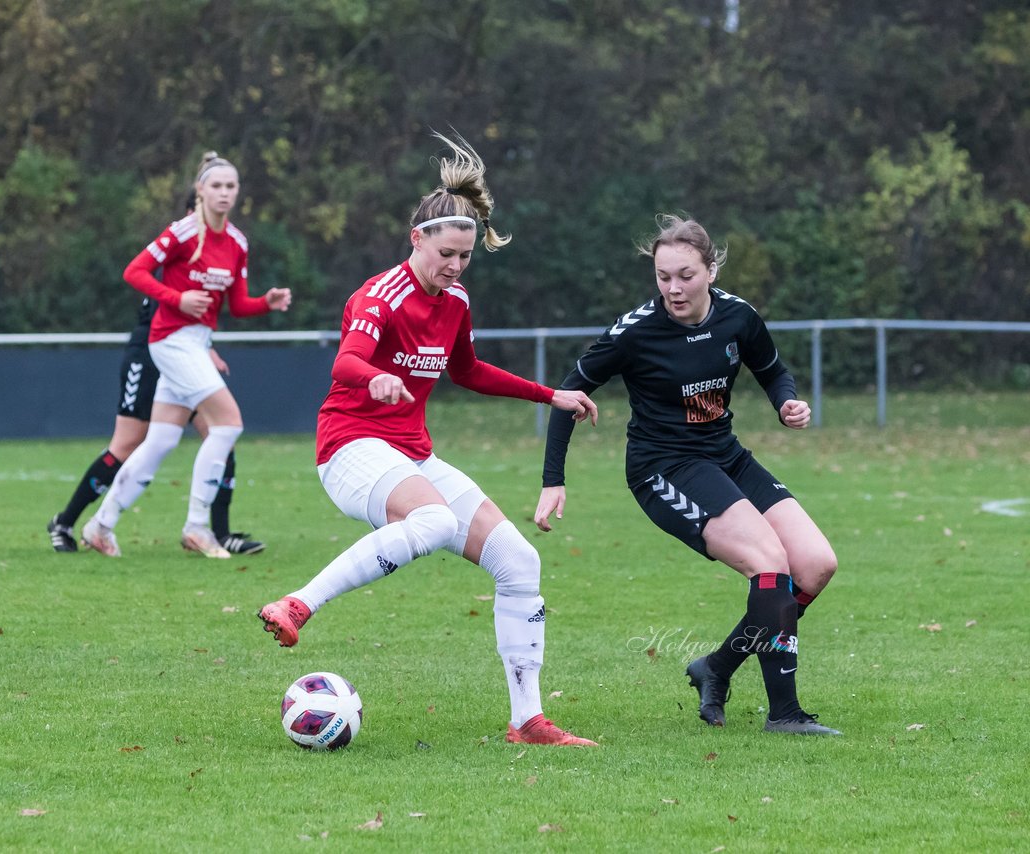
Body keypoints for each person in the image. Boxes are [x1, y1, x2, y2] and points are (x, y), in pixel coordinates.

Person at [257, 133, 600, 747]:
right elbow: (345, 364)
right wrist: (377, 376)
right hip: (350, 448)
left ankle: (527, 721)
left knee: (520, 562)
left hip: (411, 453)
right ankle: (299, 604)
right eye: (447, 253)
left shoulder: (456, 299)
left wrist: (550, 395)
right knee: (438, 521)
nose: (456, 266)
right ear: (417, 239)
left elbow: (467, 370)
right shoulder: (379, 296)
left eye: (466, 256)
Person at [536, 214, 840, 735]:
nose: (673, 288)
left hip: (726, 456)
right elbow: (568, 395)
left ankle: (715, 668)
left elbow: (772, 371)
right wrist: (553, 478)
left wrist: (787, 402)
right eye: (663, 276)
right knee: (770, 563)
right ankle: (785, 715)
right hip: (663, 468)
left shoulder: (738, 317)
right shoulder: (635, 332)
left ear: (711, 270)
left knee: (815, 565)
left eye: (685, 275)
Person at [79, 151, 291, 559]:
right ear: (201, 190)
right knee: (228, 423)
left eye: (231, 186)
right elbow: (134, 272)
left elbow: (238, 304)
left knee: (159, 441)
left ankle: (99, 526)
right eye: (217, 186)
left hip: (195, 341)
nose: (224, 193)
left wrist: (267, 301)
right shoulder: (182, 232)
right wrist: (176, 297)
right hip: (171, 339)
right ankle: (196, 526)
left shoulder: (237, 242)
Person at [47, 195, 264, 557]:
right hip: (151, 353)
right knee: (131, 441)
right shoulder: (178, 249)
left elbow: (215, 311)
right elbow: (151, 295)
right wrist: (186, 324)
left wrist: (205, 346)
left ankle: (217, 531)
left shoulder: (224, 248)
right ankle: (67, 522)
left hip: (187, 351)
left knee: (208, 433)